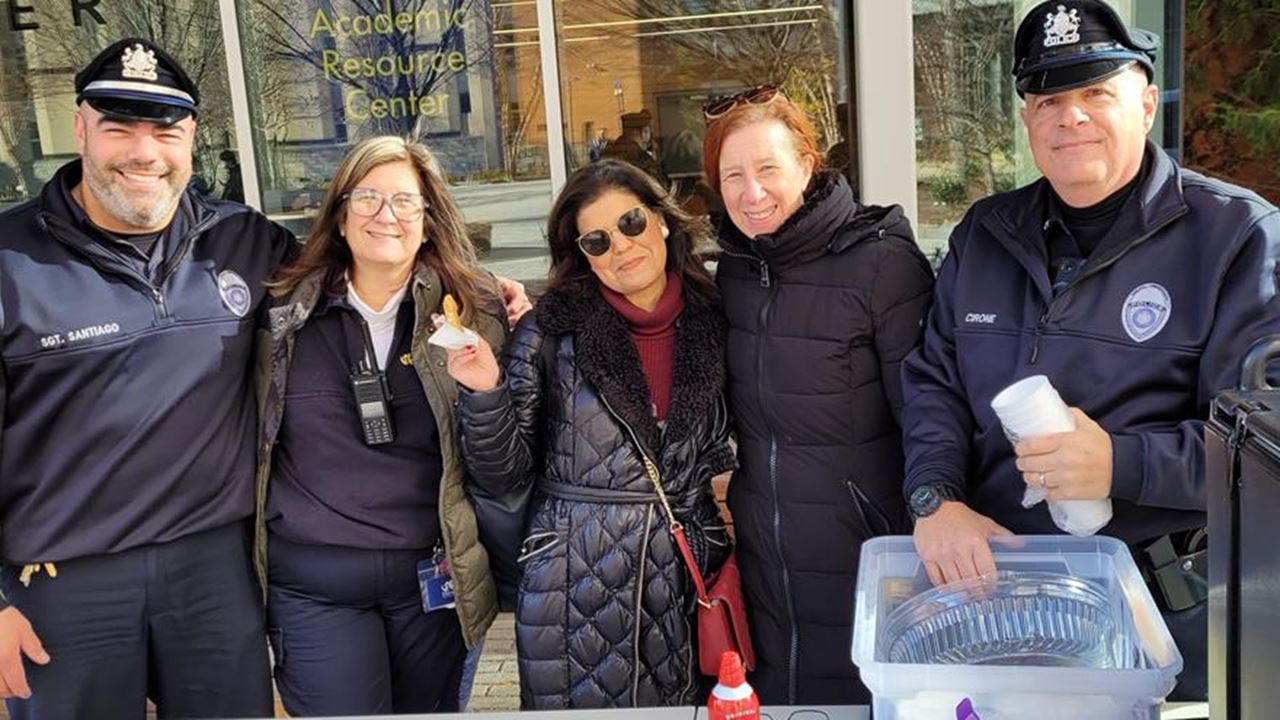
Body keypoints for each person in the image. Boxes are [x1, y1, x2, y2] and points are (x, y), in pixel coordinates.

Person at [901, 0, 1280, 701]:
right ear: (1026, 119)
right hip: (1001, 604)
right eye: (1047, 98)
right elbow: (934, 382)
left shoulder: (1236, 239)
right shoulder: (985, 234)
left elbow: (1262, 451)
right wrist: (934, 499)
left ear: (1143, 101)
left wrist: (1120, 463)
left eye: (1095, 92)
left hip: (1166, 618)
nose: (1069, 116)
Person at [0, 38, 293, 718]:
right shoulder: (10, 261)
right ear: (80, 129)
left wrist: (483, 299)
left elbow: (360, 284)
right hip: (63, 581)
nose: (143, 153)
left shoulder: (244, 240)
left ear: (191, 137)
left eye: (164, 130)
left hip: (216, 569)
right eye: (118, 128)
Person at [445, 159, 735, 708]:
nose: (621, 248)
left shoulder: (718, 317)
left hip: (690, 572)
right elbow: (503, 472)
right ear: (581, 254)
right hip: (573, 585)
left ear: (662, 220)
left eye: (630, 223)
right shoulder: (550, 331)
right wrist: (484, 393)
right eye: (597, 241)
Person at [254, 135, 505, 715]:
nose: (385, 215)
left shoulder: (476, 311)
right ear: (340, 217)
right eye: (366, 198)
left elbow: (502, 465)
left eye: (404, 202)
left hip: (432, 582)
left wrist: (487, 393)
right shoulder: (280, 313)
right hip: (316, 585)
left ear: (429, 220)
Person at [702, 85, 934, 704]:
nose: (751, 194)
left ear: (808, 163)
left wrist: (930, 514)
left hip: (862, 546)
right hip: (764, 551)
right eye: (733, 176)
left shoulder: (881, 265)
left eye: (768, 169)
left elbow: (929, 414)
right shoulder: (737, 269)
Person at [603, 110, 665, 184]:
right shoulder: (642, 158)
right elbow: (658, 187)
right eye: (648, 131)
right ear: (644, 132)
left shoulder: (608, 152)